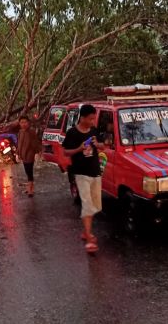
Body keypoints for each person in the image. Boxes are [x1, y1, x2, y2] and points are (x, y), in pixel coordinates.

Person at [62, 104, 104, 254]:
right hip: (81, 173)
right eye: (91, 118)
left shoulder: (94, 130)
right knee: (87, 203)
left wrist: (97, 144)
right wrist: (79, 149)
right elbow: (66, 152)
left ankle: (86, 230)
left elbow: (103, 146)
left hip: (95, 172)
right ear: (83, 117)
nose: (93, 121)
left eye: (94, 118)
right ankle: (89, 238)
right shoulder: (72, 133)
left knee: (96, 205)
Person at [17, 115, 42, 197]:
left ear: (28, 123)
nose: (23, 124)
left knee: (29, 171)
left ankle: (30, 190)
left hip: (30, 154)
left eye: (25, 122)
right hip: (23, 155)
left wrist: (37, 153)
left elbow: (36, 143)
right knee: (27, 171)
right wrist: (18, 153)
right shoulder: (20, 132)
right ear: (19, 123)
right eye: (21, 122)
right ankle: (29, 187)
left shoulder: (31, 132)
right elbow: (19, 144)